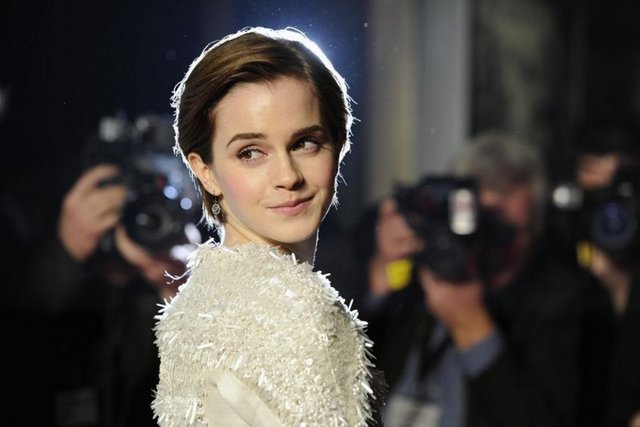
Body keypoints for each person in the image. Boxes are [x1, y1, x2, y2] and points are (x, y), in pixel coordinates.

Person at [152, 26, 385, 426]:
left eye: (305, 142)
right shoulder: (300, 317)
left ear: (339, 145)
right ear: (205, 171)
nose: (288, 176)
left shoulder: (193, 308)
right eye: (250, 152)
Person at [349, 133, 583, 427]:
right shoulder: (421, 270)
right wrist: (381, 279)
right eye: (482, 223)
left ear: (536, 229)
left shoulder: (559, 300)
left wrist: (472, 326)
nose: (494, 243)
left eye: (509, 231)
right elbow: (343, 375)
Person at [21, 117, 198, 426]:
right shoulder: (41, 239)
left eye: (158, 192)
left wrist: (184, 292)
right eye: (133, 190)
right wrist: (67, 248)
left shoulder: (186, 264)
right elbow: (19, 335)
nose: (146, 211)